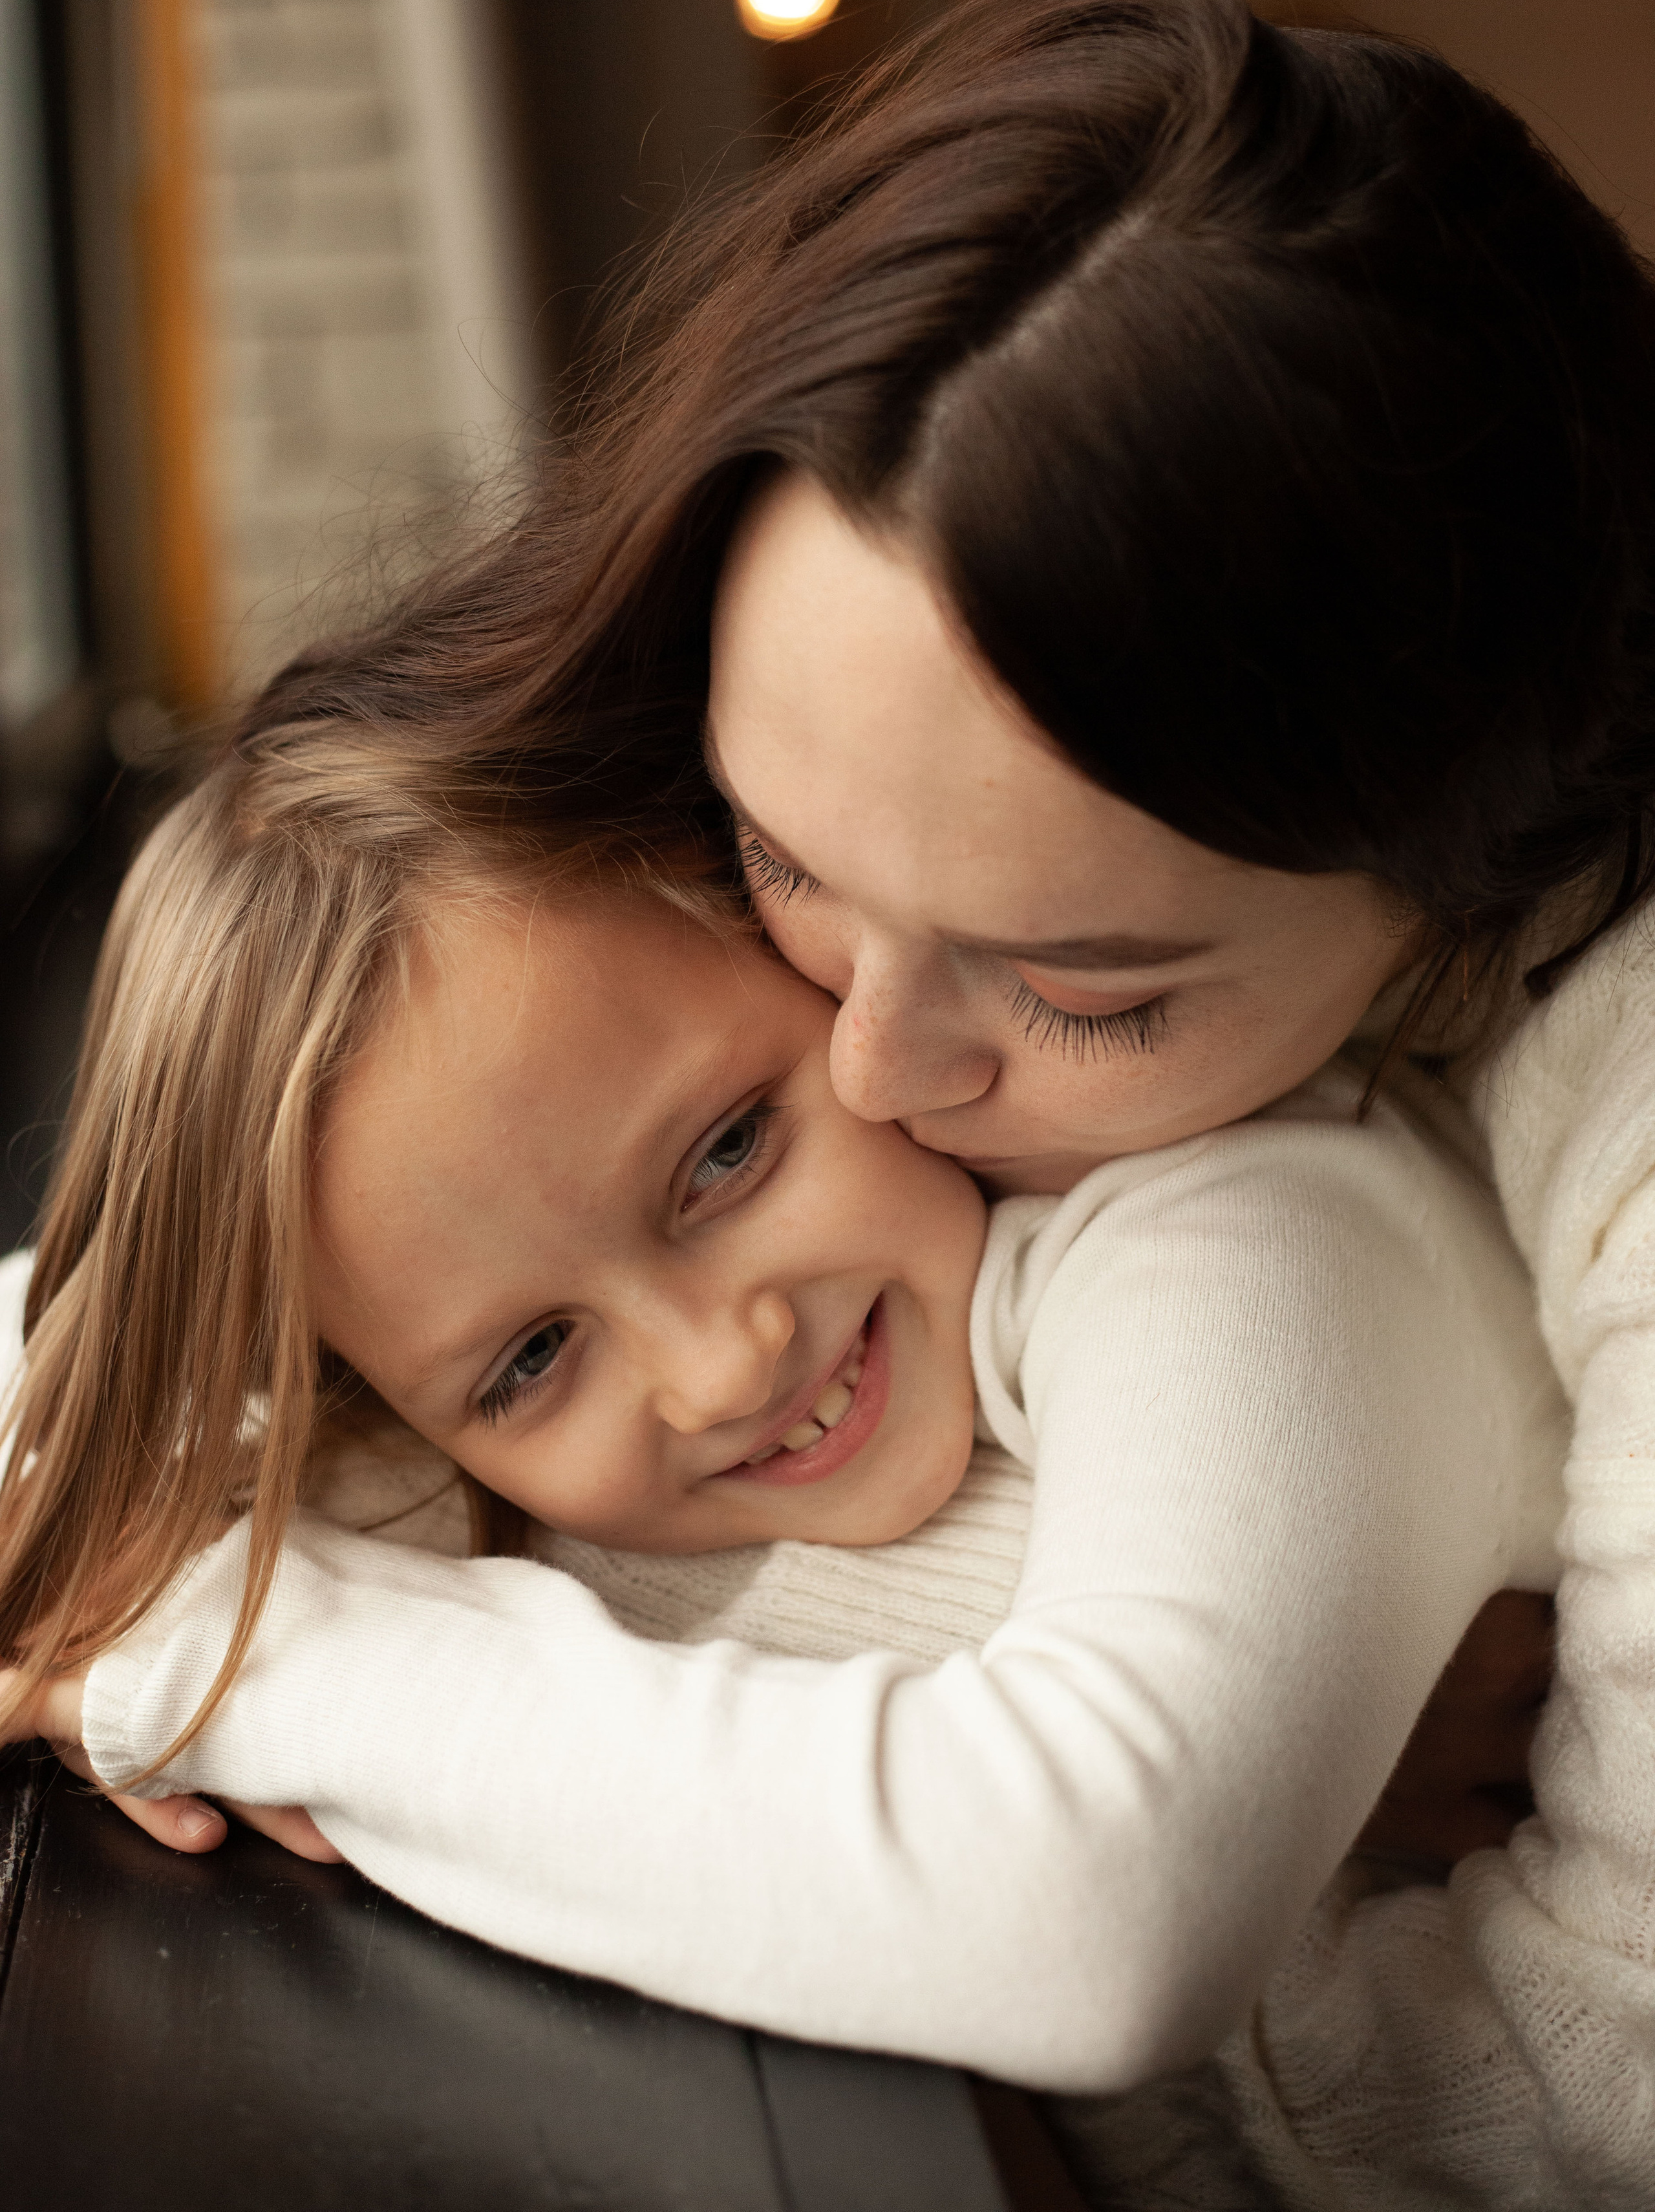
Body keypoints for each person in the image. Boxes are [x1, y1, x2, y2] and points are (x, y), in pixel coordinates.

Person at [12, 0, 1655, 2196]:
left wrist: (227, 1654)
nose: (875, 1063)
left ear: (1445, 918)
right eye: (788, 861)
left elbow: (1131, 1911)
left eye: (1081, 982)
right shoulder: (638, 1059)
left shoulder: (1278, 1203)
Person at [0, 621, 1563, 2114]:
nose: (718, 1365)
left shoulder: (1249, 1216)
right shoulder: (440, 1409)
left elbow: (1088, 1909)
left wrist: (226, 1661)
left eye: (729, 1152)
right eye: (534, 1359)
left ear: (806, 944)